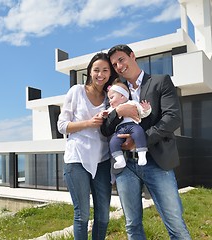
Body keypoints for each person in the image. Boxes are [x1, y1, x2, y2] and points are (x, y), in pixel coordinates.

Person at [101, 44, 191, 239]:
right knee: (132, 226)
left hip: (156, 161)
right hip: (125, 166)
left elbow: (172, 118)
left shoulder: (160, 82)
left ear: (132, 56)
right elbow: (105, 128)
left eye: (121, 59)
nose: (118, 66)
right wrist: (118, 111)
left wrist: (140, 141)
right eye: (115, 64)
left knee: (175, 223)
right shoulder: (116, 91)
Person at [57, 52, 117, 240]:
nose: (101, 74)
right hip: (77, 159)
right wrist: (88, 123)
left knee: (104, 216)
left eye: (105, 70)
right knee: (82, 215)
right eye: (96, 70)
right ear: (90, 71)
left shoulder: (110, 96)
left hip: (102, 160)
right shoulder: (76, 91)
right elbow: (61, 126)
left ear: (110, 73)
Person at [103, 78, 151, 169]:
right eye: (109, 99)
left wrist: (147, 109)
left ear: (122, 96)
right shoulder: (113, 108)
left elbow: (142, 113)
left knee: (139, 133)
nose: (109, 101)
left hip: (133, 125)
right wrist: (104, 114)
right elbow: (108, 117)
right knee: (113, 142)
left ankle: (142, 154)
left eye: (112, 97)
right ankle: (120, 160)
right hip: (120, 129)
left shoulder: (133, 103)